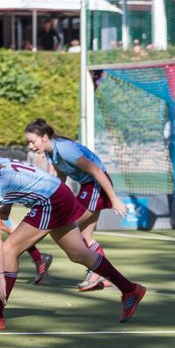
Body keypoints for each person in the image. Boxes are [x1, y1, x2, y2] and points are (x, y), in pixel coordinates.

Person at [0, 149, 146, 331]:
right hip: (57, 192)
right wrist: (7, 208)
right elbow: (13, 182)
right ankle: (130, 290)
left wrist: (1, 275)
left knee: (8, 249)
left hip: (50, 201)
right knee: (78, 254)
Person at [24, 118, 128, 291]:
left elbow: (96, 170)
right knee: (85, 237)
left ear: (44, 137)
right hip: (88, 186)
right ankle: (105, 274)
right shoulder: (51, 152)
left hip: (96, 184)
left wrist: (114, 199)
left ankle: (96, 272)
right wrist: (52, 197)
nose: (30, 146)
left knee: (69, 226)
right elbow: (61, 177)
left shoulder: (65, 149)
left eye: (32, 141)